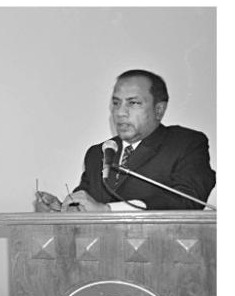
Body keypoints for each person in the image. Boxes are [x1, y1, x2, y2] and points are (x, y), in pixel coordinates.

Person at [36, 69, 216, 211]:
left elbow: (188, 201)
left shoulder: (185, 144)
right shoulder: (98, 153)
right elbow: (86, 204)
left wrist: (108, 210)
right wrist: (62, 209)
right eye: (116, 103)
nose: (120, 112)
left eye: (133, 103)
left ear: (159, 110)